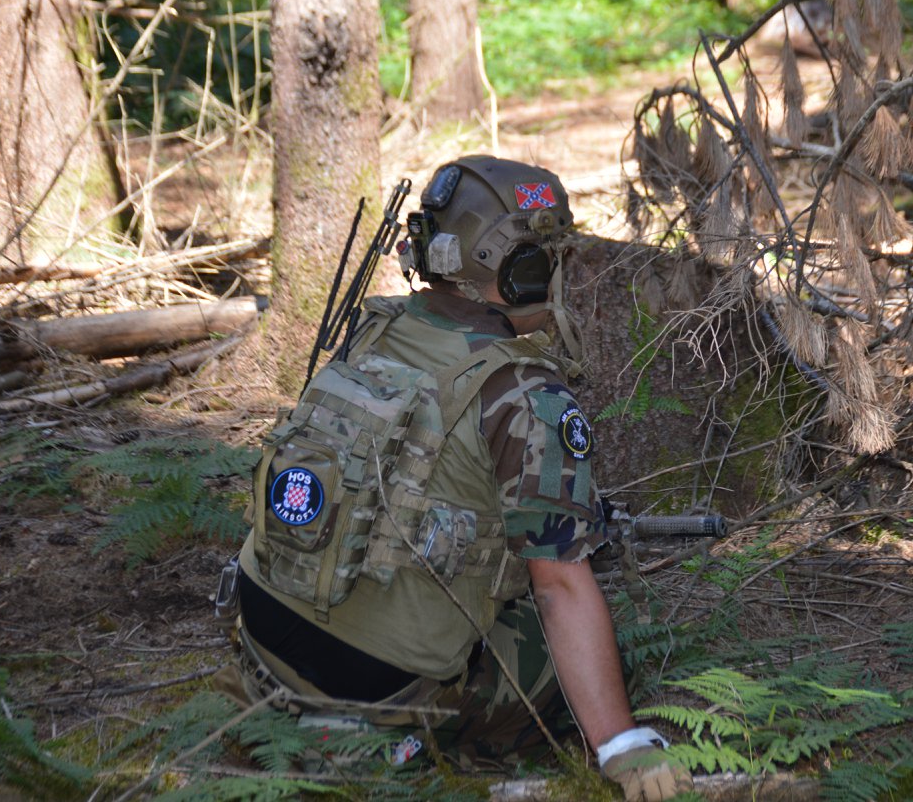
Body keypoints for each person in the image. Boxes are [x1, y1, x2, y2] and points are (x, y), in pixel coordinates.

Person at [220, 156, 692, 802]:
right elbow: (559, 587)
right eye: (550, 257)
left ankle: (295, 708)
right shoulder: (525, 393)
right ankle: (389, 738)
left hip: (261, 630)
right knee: (591, 655)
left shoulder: (372, 326)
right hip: (378, 681)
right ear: (521, 270)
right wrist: (621, 745)